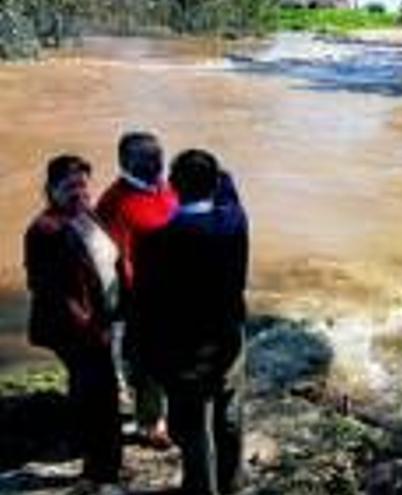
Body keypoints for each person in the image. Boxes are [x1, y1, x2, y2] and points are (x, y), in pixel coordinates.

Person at [135, 150, 248, 495]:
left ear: (172, 185)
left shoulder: (155, 242)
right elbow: (227, 188)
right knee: (228, 417)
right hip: (228, 340)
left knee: (191, 427)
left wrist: (145, 355)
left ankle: (200, 489)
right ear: (215, 184)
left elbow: (147, 306)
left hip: (182, 353)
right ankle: (231, 484)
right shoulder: (234, 222)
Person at [24, 155, 124, 495]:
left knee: (90, 393)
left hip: (101, 322)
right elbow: (50, 291)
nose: (79, 191)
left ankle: (91, 457)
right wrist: (91, 331)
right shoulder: (45, 230)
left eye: (83, 184)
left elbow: (106, 261)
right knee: (101, 398)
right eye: (70, 186)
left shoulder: (86, 214)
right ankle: (101, 476)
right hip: (78, 330)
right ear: (51, 189)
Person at [96, 131, 178, 449]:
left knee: (173, 359)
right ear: (126, 163)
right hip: (143, 301)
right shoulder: (115, 203)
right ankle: (151, 424)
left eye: (158, 157)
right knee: (150, 364)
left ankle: (169, 412)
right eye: (147, 159)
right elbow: (119, 264)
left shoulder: (166, 189)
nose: (156, 164)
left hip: (173, 292)